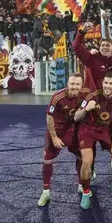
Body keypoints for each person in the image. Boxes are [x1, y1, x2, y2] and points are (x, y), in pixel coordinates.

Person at [37, 73, 90, 207]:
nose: (74, 87)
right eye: (72, 84)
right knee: (47, 159)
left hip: (74, 131)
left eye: (77, 84)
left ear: (81, 85)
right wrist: (54, 137)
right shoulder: (57, 97)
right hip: (57, 130)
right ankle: (46, 191)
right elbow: (49, 117)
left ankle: (80, 184)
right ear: (67, 84)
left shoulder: (86, 94)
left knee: (81, 157)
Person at [74, 72, 112, 208]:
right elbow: (76, 117)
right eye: (106, 83)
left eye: (111, 83)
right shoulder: (92, 96)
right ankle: (85, 193)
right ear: (102, 83)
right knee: (86, 161)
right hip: (87, 131)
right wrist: (86, 109)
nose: (107, 86)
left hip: (104, 131)